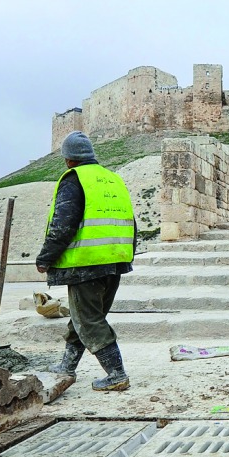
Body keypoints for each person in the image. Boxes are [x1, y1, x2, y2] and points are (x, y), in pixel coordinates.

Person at [36, 131, 136, 392]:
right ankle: (67, 366)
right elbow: (131, 223)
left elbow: (63, 225)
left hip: (85, 263)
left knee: (89, 321)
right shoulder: (112, 179)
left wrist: (46, 257)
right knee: (85, 317)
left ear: (69, 159)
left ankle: (117, 374)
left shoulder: (75, 179)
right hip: (114, 260)